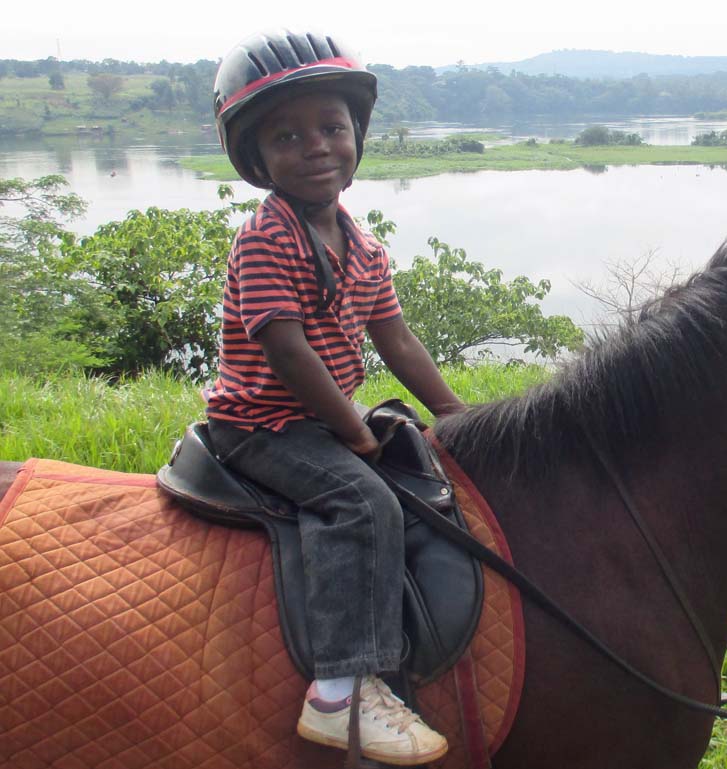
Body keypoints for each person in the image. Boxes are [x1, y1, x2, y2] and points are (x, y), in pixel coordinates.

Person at [203, 29, 463, 766]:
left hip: (314, 422)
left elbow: (397, 341)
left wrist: (455, 413)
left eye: (331, 128)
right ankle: (341, 692)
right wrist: (353, 431)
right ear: (257, 160)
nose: (316, 146)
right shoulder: (265, 238)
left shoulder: (365, 248)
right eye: (287, 136)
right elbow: (287, 350)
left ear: (357, 137)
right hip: (260, 425)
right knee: (361, 503)